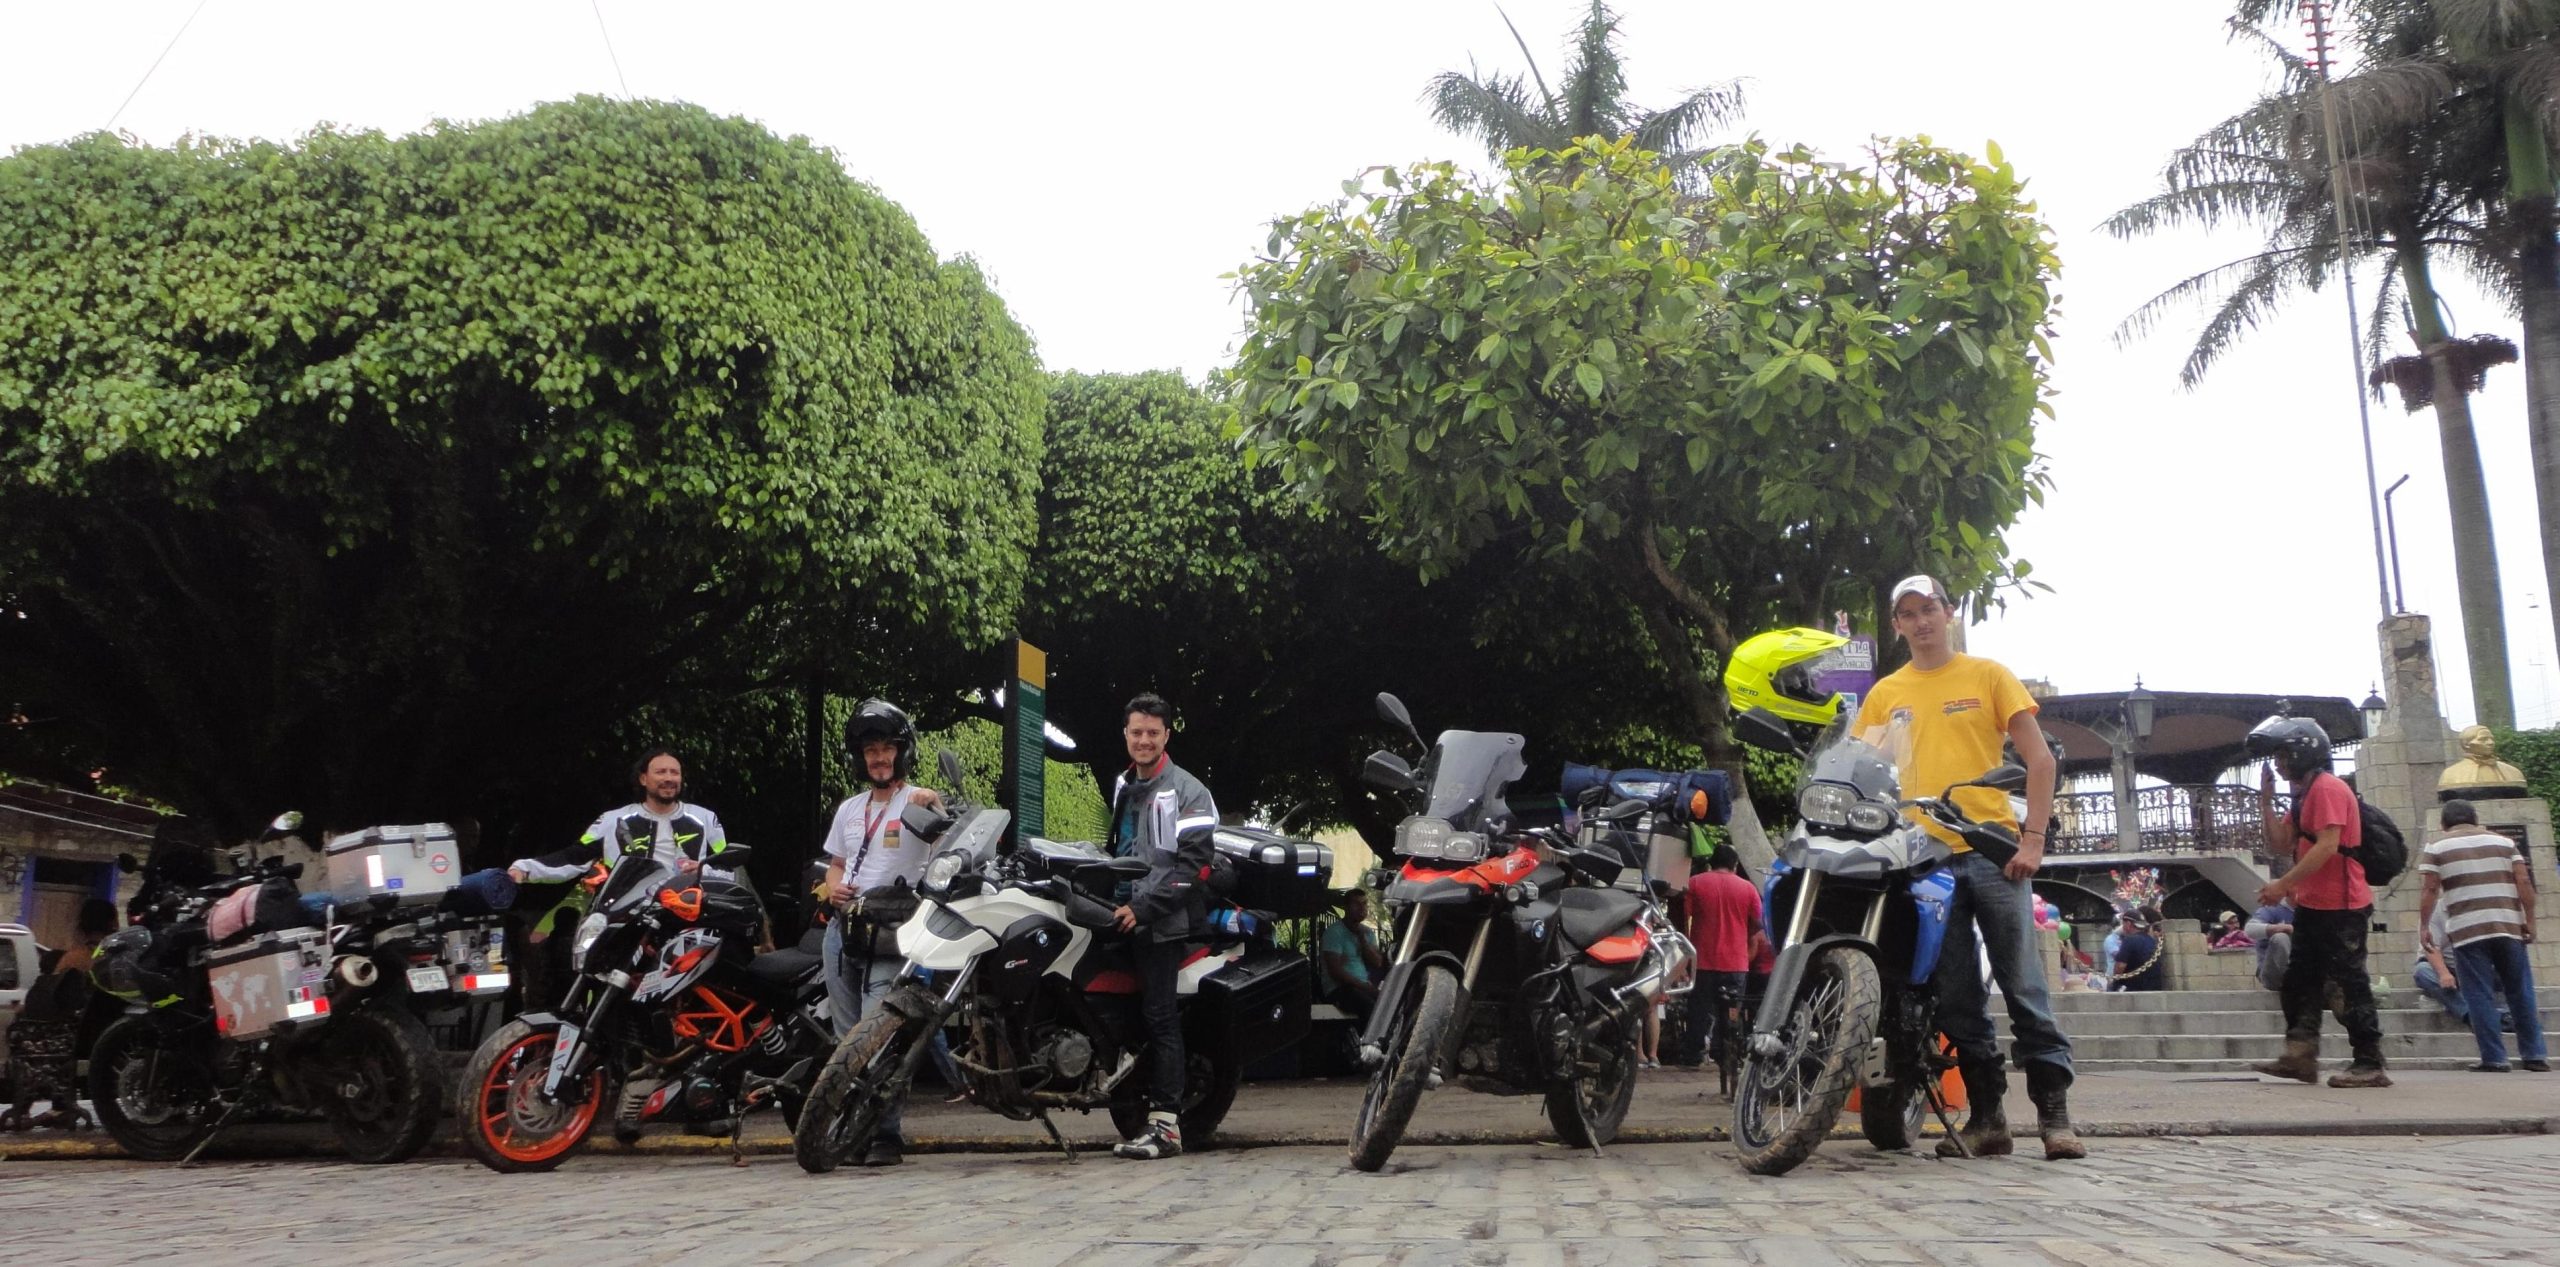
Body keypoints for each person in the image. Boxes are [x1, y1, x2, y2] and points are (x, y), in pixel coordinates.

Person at [1852, 574, 2081, 1161]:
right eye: (1908, 613)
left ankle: (2056, 1120)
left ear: (1949, 613)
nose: (1921, 621)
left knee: (2024, 984)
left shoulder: (1988, 676)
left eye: (1929, 609)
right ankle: (1988, 1120)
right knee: (1955, 996)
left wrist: (2032, 839)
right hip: (1922, 861)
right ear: (1897, 625)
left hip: (1991, 850)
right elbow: (1863, 772)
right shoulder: (1886, 694)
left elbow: (2038, 760)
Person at [815, 699, 945, 1165]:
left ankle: (886, 1134)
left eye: (887, 748)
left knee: (881, 1033)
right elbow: (835, 864)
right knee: (848, 1036)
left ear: (902, 753)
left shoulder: (916, 800)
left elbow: (945, 837)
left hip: (893, 929)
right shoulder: (849, 809)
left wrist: (933, 802)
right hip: (844, 930)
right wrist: (834, 889)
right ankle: (853, 1131)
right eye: (871, 750)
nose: (879, 758)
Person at [2246, 715, 2390, 1088]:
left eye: (2283, 754)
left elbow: (2328, 846)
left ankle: (2369, 1061)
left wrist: (2282, 885)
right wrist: (2265, 803)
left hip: (2342, 906)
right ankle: (2300, 1056)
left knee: (2350, 982)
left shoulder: (2328, 788)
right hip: (2312, 905)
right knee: (2300, 982)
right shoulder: (2303, 795)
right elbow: (2280, 843)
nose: (2278, 763)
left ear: (2303, 751)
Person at [1106, 692, 1218, 1161]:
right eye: (1137, 732)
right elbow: (1121, 849)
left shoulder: (1188, 790)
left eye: (1153, 732)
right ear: (1127, 735)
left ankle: (1167, 1125)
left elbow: (1192, 865)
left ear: (1166, 735)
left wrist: (1146, 907)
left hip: (1161, 922)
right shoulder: (1123, 784)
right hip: (1120, 913)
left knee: (1159, 1015)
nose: (1144, 740)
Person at [2418, 798, 2547, 1072]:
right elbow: (2523, 881)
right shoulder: (2505, 844)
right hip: (2508, 924)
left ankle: (2495, 1058)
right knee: (2521, 991)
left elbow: (2430, 889)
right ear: (2476, 820)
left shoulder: (2437, 847)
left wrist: (2424, 924)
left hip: (2468, 930)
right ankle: (2535, 1055)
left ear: (2444, 824)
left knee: (2479, 994)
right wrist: (2530, 921)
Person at [508, 747, 732, 885]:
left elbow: (729, 865)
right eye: (661, 772)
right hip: (626, 913)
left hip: (687, 910)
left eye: (674, 772)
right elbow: (575, 856)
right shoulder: (611, 820)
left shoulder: (705, 818)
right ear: (643, 779)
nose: (669, 778)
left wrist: (705, 869)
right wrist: (524, 869)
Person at [1671, 845, 1761, 1073]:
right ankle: (1726, 1055)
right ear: (1735, 865)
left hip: (1703, 962)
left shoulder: (1695, 884)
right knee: (1731, 1012)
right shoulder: (1748, 889)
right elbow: (1758, 925)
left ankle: (1693, 1056)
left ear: (1712, 863)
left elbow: (1681, 921)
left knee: (1699, 1010)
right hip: (1736, 963)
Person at [1320, 889, 1385, 1020]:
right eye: (1356, 904)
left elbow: (1377, 962)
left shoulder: (1367, 933)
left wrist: (1362, 940)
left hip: (1363, 986)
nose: (1362, 908)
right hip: (1339, 989)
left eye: (1365, 904)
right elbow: (1336, 972)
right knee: (1370, 1007)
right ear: (1346, 907)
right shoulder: (1334, 932)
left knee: (1390, 1005)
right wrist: (1365, 987)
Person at [2246, 900, 2294, 993]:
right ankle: (2293, 979)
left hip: (2305, 972)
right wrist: (2284, 928)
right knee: (2280, 937)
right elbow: (2250, 929)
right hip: (2274, 974)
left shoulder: (2311, 912)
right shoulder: (2272, 910)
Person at [2110, 911, 2165, 992]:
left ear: (2128, 924)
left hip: (2134, 988)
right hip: (2154, 987)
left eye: (2123, 923)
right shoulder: (2152, 940)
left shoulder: (2129, 940)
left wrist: (2113, 982)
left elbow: (2120, 967)